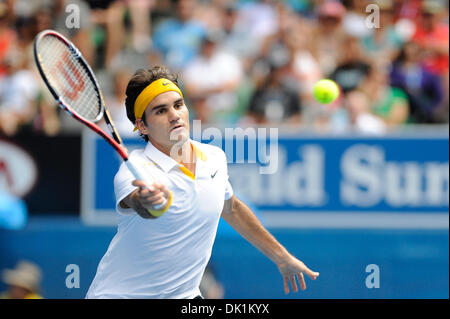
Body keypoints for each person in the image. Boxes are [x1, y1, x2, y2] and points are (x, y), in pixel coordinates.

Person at [86, 65, 319, 299]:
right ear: (143, 125)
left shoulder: (214, 157)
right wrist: (147, 200)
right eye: (160, 111)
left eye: (178, 105)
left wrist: (282, 258)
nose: (175, 115)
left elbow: (232, 208)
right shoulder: (133, 171)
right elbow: (138, 203)